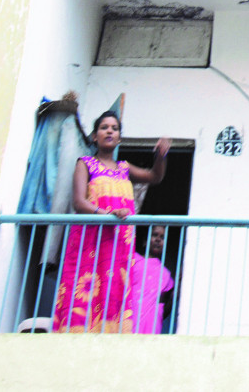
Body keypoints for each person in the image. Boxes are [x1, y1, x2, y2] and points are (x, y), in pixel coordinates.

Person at [52, 111, 171, 333]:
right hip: (89, 241)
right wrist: (108, 214)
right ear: (94, 136)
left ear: (119, 138)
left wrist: (160, 156)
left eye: (114, 128)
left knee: (113, 288)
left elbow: (155, 177)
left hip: (118, 243)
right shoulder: (85, 164)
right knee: (84, 288)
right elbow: (79, 202)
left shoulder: (124, 168)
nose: (109, 131)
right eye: (104, 127)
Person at [130, 225, 175, 334]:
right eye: (155, 235)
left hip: (151, 325)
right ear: (145, 241)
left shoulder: (165, 274)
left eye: (162, 237)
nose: (158, 239)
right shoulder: (133, 259)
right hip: (129, 317)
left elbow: (167, 304)